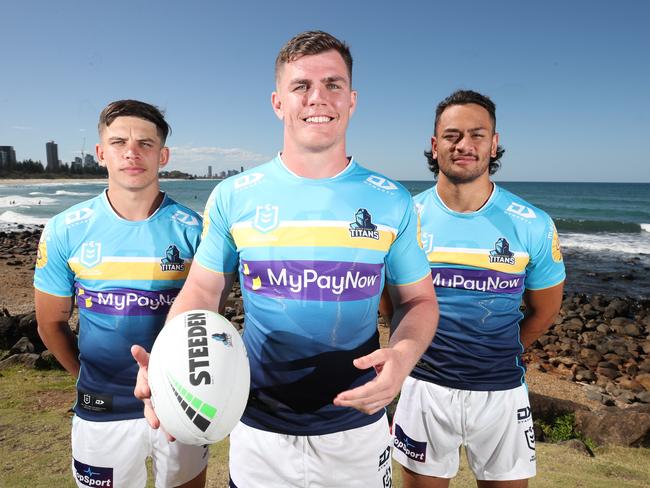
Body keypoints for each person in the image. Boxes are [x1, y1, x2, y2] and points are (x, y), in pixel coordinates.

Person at [133, 30, 439, 487]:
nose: (319, 98)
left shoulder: (392, 199)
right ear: (278, 102)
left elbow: (418, 302)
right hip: (259, 428)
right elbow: (202, 289)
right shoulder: (234, 196)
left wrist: (404, 354)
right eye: (302, 86)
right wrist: (168, 362)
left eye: (333, 85)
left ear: (351, 100)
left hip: (356, 426)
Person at [384, 90, 566, 488]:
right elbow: (389, 300)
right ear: (435, 146)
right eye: (451, 135)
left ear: (494, 143)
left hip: (501, 393)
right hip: (424, 388)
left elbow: (545, 310)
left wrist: (498, 351)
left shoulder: (532, 223)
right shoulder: (404, 218)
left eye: (477, 135)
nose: (464, 145)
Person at [34, 100, 207, 488]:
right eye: (118, 142)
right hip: (101, 409)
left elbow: (207, 321)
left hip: (181, 405)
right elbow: (50, 324)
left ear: (162, 155)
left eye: (146, 143)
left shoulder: (196, 231)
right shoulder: (65, 229)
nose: (132, 152)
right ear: (101, 153)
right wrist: (88, 379)